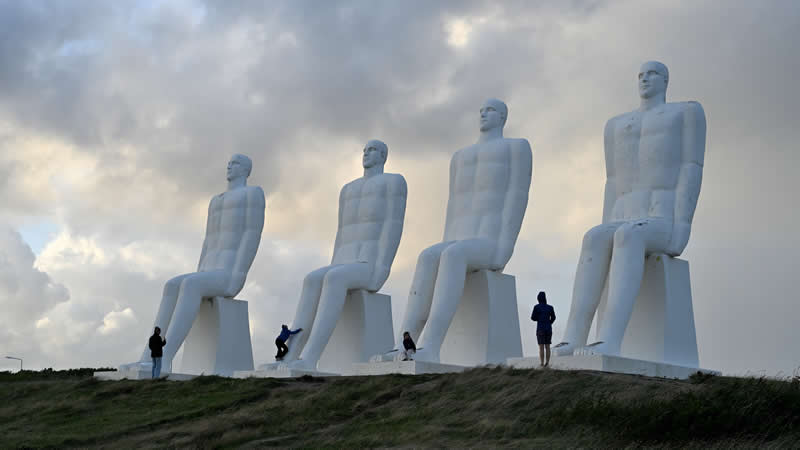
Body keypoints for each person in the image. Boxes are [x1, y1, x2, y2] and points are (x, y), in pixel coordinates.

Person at [554, 61, 706, 357]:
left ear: (665, 80)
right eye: (640, 75)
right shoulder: (615, 124)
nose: (644, 79)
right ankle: (574, 335)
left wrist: (682, 226)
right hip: (625, 215)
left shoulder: (685, 112)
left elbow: (691, 167)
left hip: (662, 217)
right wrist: (605, 223)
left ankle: (610, 338)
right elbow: (612, 181)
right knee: (594, 237)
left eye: (652, 74)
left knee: (628, 236)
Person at [397, 99, 532, 363]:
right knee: (428, 256)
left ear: (503, 116)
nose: (483, 113)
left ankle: (432, 345)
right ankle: (403, 344)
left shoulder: (516, 148)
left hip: (489, 240)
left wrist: (506, 247)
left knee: (454, 255)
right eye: (481, 110)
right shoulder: (460, 157)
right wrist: (445, 241)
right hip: (459, 238)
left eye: (490, 110)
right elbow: (453, 204)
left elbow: (518, 196)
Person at [121, 154, 266, 375]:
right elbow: (208, 239)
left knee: (190, 285)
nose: (229, 165)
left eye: (235, 163)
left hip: (228, 272)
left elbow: (251, 234)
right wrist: (200, 271)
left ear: (246, 170)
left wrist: (239, 274)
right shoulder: (215, 201)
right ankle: (148, 357)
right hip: (209, 270)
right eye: (228, 162)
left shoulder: (253, 194)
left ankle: (165, 358)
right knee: (172, 285)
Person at [284, 139, 407, 371]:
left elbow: (393, 225)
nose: (366, 154)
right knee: (312, 278)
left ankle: (311, 356)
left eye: (372, 150)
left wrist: (382, 268)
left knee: (334, 278)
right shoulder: (348, 190)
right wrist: (334, 264)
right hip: (345, 261)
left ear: (383, 155)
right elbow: (341, 233)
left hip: (369, 263)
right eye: (364, 150)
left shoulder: (393, 182)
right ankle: (289, 355)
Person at [530, 292, 556, 367]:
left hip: (540, 328)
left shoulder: (536, 307)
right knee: (547, 346)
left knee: (541, 347)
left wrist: (539, 318)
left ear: (538, 298)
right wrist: (549, 322)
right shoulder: (550, 307)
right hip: (548, 328)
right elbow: (554, 317)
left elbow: (532, 318)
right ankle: (547, 363)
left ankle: (542, 363)